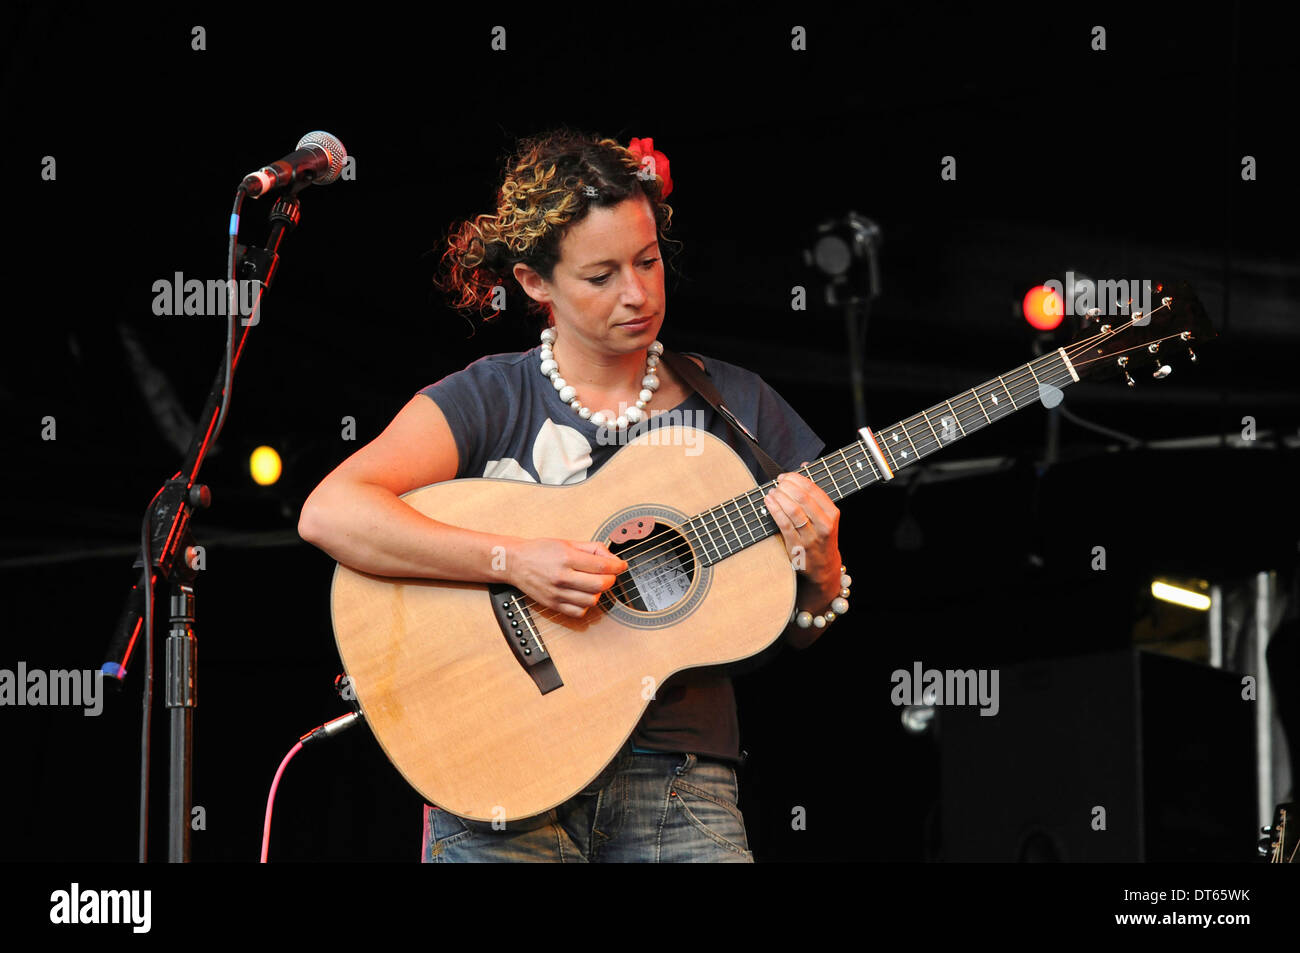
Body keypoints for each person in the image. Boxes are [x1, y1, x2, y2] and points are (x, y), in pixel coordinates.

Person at [298, 128, 850, 862]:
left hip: (680, 787)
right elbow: (331, 511)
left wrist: (824, 567)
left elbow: (802, 629)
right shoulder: (492, 396)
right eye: (601, 274)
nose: (638, 292)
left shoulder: (740, 408)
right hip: (498, 770)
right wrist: (513, 559)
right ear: (534, 282)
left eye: (649, 261)